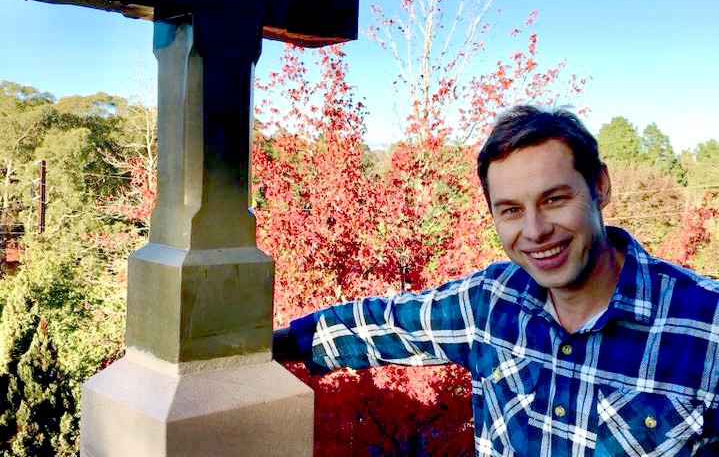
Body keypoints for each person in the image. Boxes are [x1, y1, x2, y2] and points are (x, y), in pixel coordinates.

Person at [273, 105, 719, 456]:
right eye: (510, 210)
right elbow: (380, 325)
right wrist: (252, 345)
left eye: (555, 199)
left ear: (599, 187)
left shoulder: (707, 326)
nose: (535, 230)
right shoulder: (490, 303)